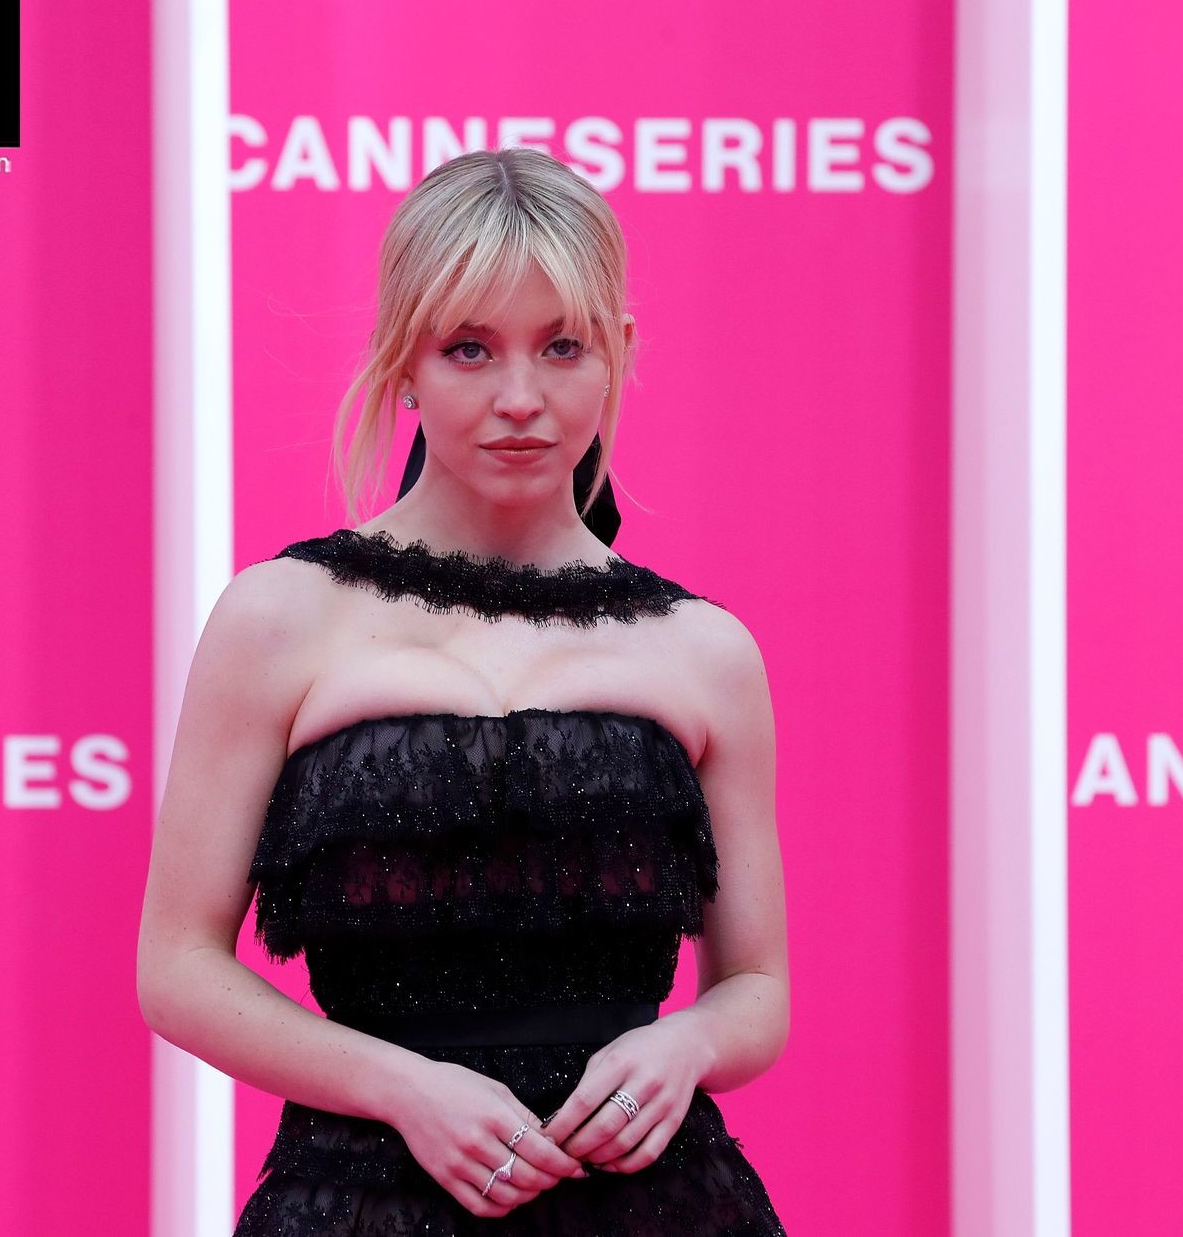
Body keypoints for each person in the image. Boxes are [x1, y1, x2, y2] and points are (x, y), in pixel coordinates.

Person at [137, 146, 790, 1234]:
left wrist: (687, 1043)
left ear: (620, 354)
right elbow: (177, 968)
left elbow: (757, 985)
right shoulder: (281, 617)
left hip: (654, 1202)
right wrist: (403, 1088)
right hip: (360, 1200)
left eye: (563, 347)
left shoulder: (703, 651)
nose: (519, 399)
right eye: (469, 349)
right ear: (404, 363)